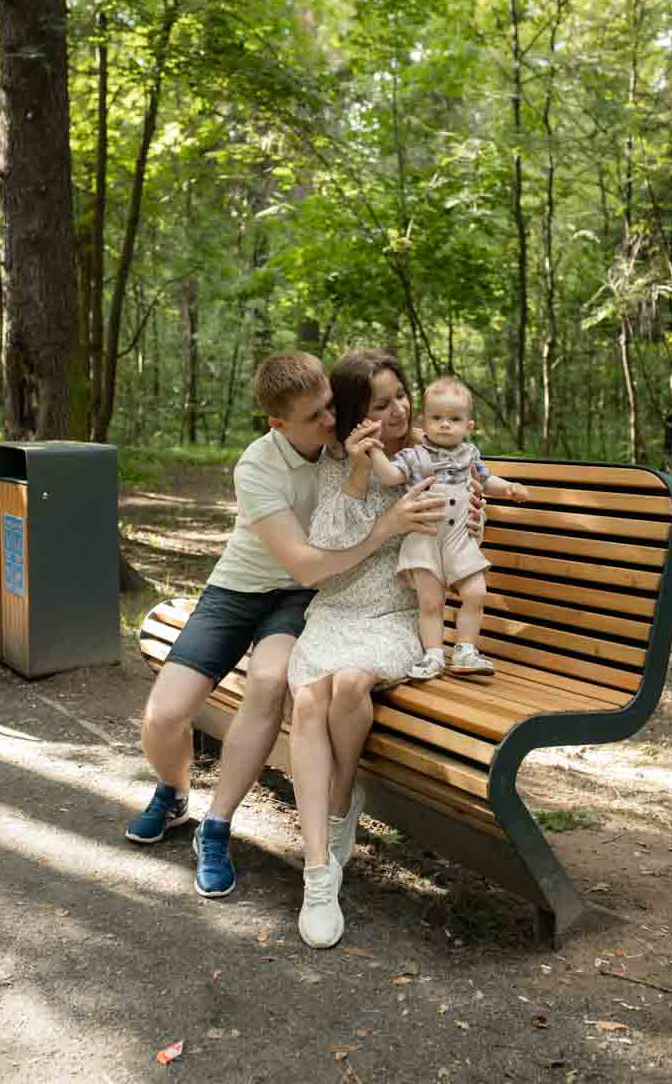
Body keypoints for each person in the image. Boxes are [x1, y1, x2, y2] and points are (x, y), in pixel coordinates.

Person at [125, 350, 454, 903]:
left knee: (270, 682)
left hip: (298, 598)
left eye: (330, 408)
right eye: (314, 416)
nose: (329, 422)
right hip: (240, 589)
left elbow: (423, 450)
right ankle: (175, 790)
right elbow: (305, 560)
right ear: (279, 423)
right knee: (165, 715)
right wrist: (383, 528)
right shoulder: (258, 467)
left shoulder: (345, 443)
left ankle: (217, 827)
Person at [285, 351, 484, 950]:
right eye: (380, 403)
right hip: (337, 614)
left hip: (397, 619)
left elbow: (465, 518)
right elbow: (325, 564)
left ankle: (341, 802)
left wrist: (475, 509)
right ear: (355, 414)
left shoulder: (434, 455)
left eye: (402, 396)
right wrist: (359, 479)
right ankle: (319, 871)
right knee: (313, 697)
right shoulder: (341, 464)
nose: (397, 410)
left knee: (346, 686)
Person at [365, 375, 528, 680]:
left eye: (454, 419)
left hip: (458, 539)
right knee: (430, 601)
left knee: (476, 591)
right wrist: (373, 450)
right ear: (423, 421)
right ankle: (433, 654)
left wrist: (508, 489)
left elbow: (486, 480)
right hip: (425, 538)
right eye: (437, 417)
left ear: (469, 426)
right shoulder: (413, 457)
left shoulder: (471, 456)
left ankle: (466, 649)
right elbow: (388, 476)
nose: (444, 424)